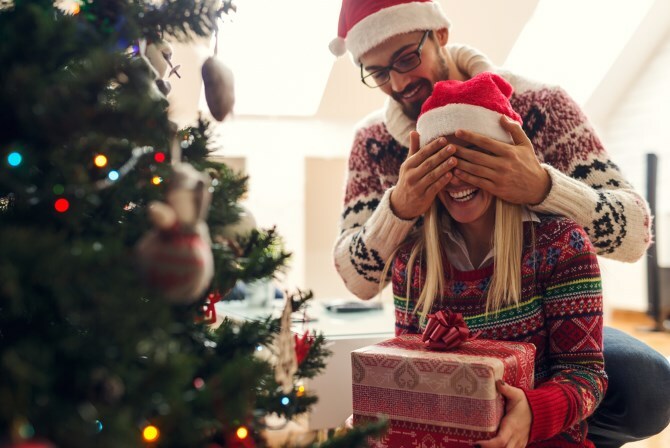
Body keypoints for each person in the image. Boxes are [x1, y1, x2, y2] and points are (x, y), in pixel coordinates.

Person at [329, 0, 670, 447]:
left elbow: (636, 231)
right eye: (376, 73)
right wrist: (399, 207)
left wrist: (544, 188)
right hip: (445, 316)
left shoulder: (542, 106)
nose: (397, 83)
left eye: (407, 58)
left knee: (645, 383)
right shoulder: (373, 144)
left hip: (543, 314)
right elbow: (357, 281)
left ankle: (553, 424)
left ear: (441, 35)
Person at [387, 71, 606, 447]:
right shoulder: (412, 261)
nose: (456, 178)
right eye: (441, 161)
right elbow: (412, 374)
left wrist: (533, 413)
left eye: (473, 158)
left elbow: (586, 376)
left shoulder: (561, 246)